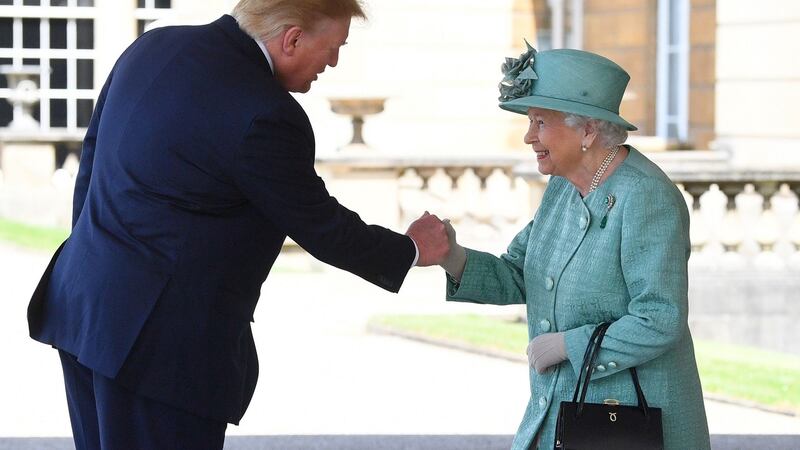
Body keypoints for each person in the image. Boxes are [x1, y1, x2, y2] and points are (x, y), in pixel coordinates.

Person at [26, 1, 449, 448]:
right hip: (159, 351)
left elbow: (91, 166)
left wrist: (97, 260)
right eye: (334, 47)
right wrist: (412, 250)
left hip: (82, 306)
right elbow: (321, 226)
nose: (334, 62)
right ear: (292, 39)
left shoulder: (152, 46)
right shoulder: (267, 112)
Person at [434, 43, 711, 449]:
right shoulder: (562, 187)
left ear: (587, 129)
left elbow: (659, 318)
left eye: (540, 122)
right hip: (562, 415)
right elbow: (519, 271)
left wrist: (569, 345)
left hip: (628, 422)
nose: (529, 136)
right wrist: (452, 257)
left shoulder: (646, 196)